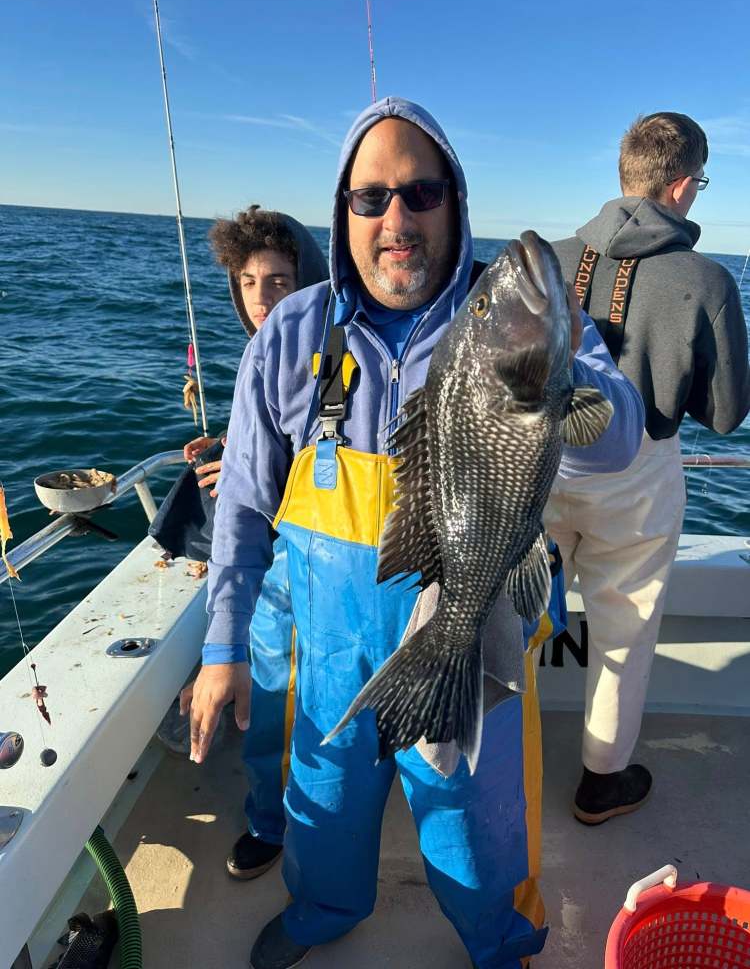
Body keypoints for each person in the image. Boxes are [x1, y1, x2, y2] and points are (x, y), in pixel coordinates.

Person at [189, 97, 645, 969]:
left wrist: (562, 360)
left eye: (421, 192)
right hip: (328, 646)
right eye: (370, 199)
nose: (395, 218)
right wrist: (223, 649)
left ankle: (500, 940)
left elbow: (617, 437)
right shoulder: (292, 332)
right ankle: (324, 910)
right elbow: (245, 507)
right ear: (343, 213)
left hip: (473, 628)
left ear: (455, 203)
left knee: (476, 820)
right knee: (322, 802)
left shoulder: (508, 321)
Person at [546, 112, 750, 826]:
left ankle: (479, 763)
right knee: (622, 635)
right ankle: (602, 781)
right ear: (684, 184)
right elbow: (725, 417)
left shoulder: (550, 257)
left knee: (509, 622)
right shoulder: (708, 281)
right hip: (638, 474)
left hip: (539, 467)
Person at [159, 206, 328, 881]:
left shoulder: (333, 351)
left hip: (315, 558)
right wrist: (237, 451)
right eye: (249, 282)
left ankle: (296, 824)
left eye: (280, 280)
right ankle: (270, 817)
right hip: (272, 561)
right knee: (272, 705)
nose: (262, 298)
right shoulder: (260, 355)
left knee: (297, 704)